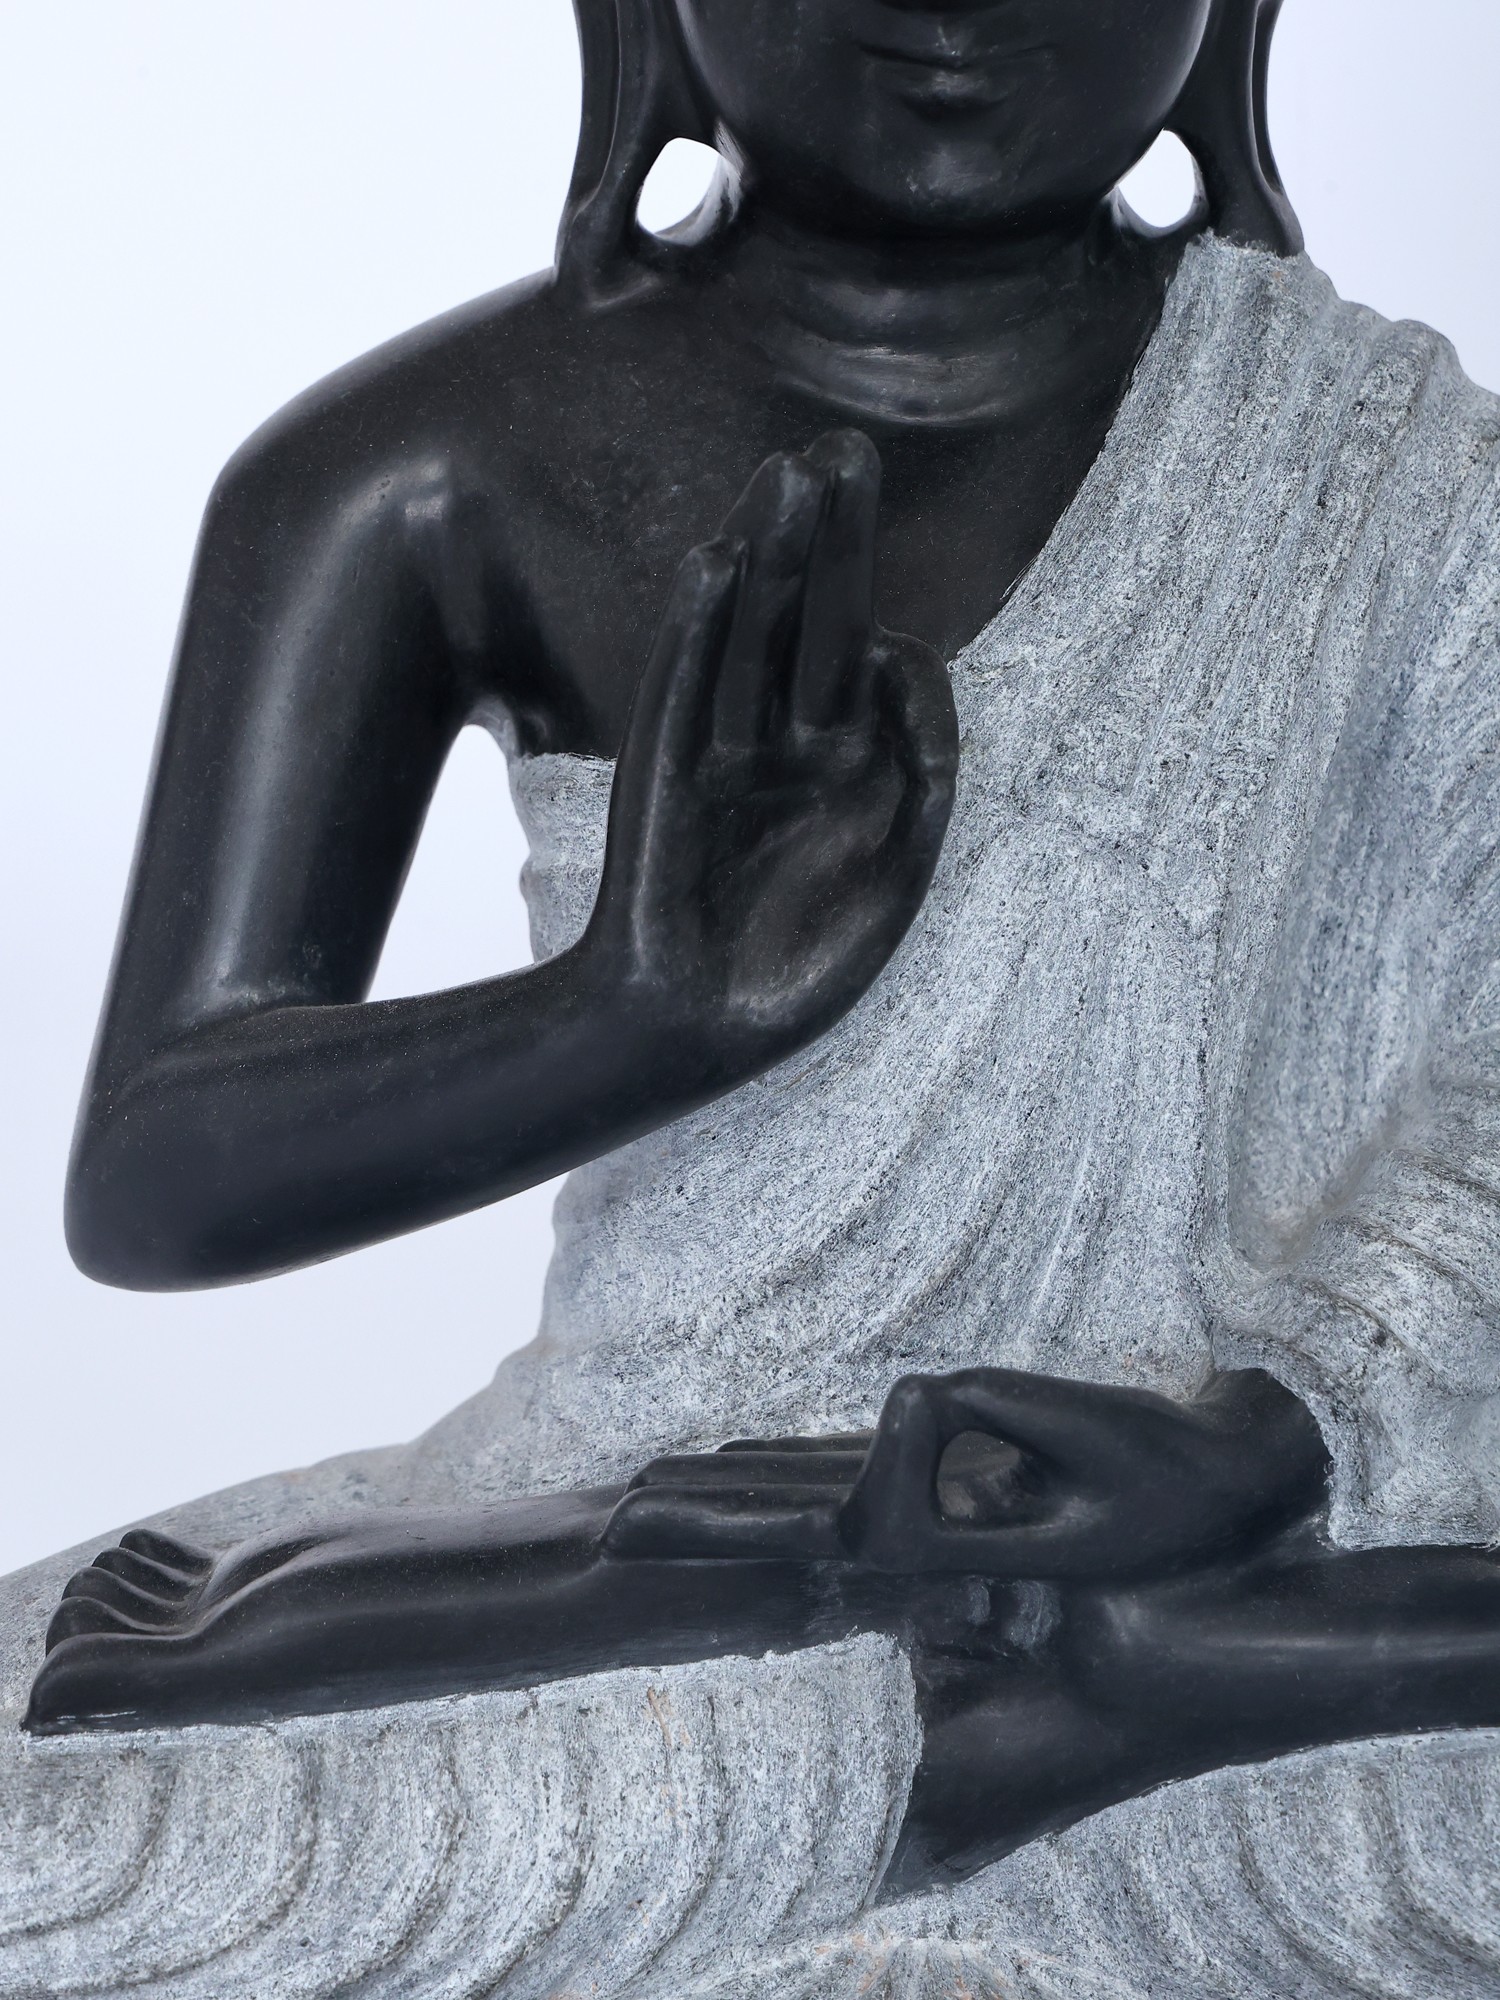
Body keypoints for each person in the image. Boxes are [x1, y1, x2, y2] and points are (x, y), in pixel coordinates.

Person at [7, 1, 1500, 1992]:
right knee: (62, 1853)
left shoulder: (1395, 476)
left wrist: (1277, 1426)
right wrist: (633, 1014)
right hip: (694, 1513)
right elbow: (155, 1172)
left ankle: (1122, 1683)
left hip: (1258, 1495)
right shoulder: (422, 473)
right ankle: (1081, 1704)